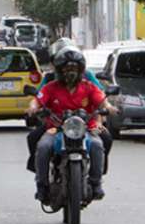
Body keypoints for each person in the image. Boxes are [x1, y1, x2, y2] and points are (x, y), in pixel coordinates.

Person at [26, 48, 118, 203]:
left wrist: (108, 107)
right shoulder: (51, 87)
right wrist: (33, 107)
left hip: (86, 128)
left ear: (80, 70)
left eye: (74, 68)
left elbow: (102, 100)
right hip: (56, 128)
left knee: (97, 145)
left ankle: (96, 183)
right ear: (60, 70)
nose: (71, 72)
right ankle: (41, 186)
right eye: (67, 68)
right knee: (43, 147)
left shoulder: (88, 86)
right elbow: (38, 99)